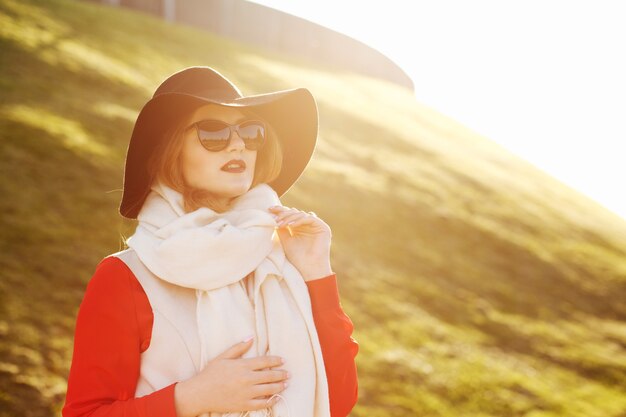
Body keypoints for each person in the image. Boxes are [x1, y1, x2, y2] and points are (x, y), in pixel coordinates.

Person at [62, 66, 358, 417]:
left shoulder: (282, 256)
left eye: (251, 132)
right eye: (214, 133)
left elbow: (337, 401)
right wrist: (190, 398)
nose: (238, 145)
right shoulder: (125, 276)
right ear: (170, 149)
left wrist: (316, 273)